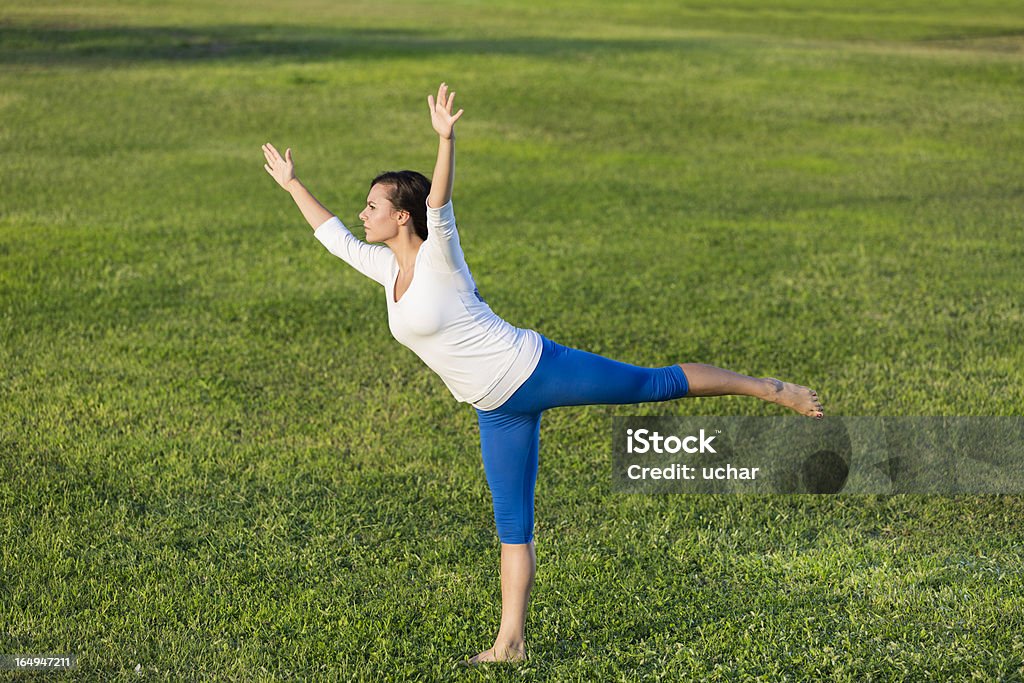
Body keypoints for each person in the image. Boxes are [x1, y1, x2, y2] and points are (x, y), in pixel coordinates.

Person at [262, 83, 823, 666]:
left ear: (401, 216)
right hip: (494, 407)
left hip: (534, 369)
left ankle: (769, 389)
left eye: (372, 207)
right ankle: (511, 644)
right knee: (512, 525)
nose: (362, 214)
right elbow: (333, 237)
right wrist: (293, 184)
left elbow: (439, 206)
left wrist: (445, 140)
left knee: (650, 384)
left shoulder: (439, 255)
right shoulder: (385, 268)